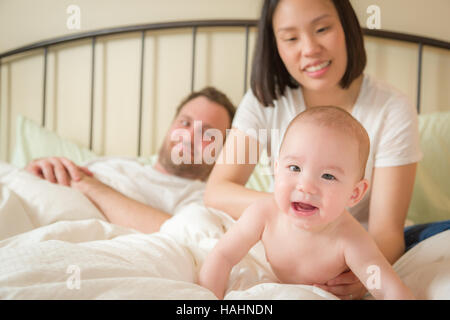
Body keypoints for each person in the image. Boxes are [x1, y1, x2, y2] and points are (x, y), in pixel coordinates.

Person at [204, 0, 449, 300]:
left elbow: (386, 231)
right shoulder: (264, 102)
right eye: (291, 38)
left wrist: (361, 276)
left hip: (350, 246)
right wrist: (285, 208)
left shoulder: (391, 108)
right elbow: (216, 191)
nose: (309, 49)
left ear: (346, 28)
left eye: (322, 29)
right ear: (275, 45)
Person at [199, 106, 415, 300]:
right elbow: (222, 256)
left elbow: (387, 289)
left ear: (354, 193)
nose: (306, 186)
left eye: (328, 176)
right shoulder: (263, 214)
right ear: (276, 169)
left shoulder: (352, 240)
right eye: (294, 168)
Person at [25, 86, 235, 234]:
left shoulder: (204, 197)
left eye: (207, 135)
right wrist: (38, 169)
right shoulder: (117, 163)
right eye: (185, 123)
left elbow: (180, 235)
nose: (188, 138)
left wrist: (88, 185)